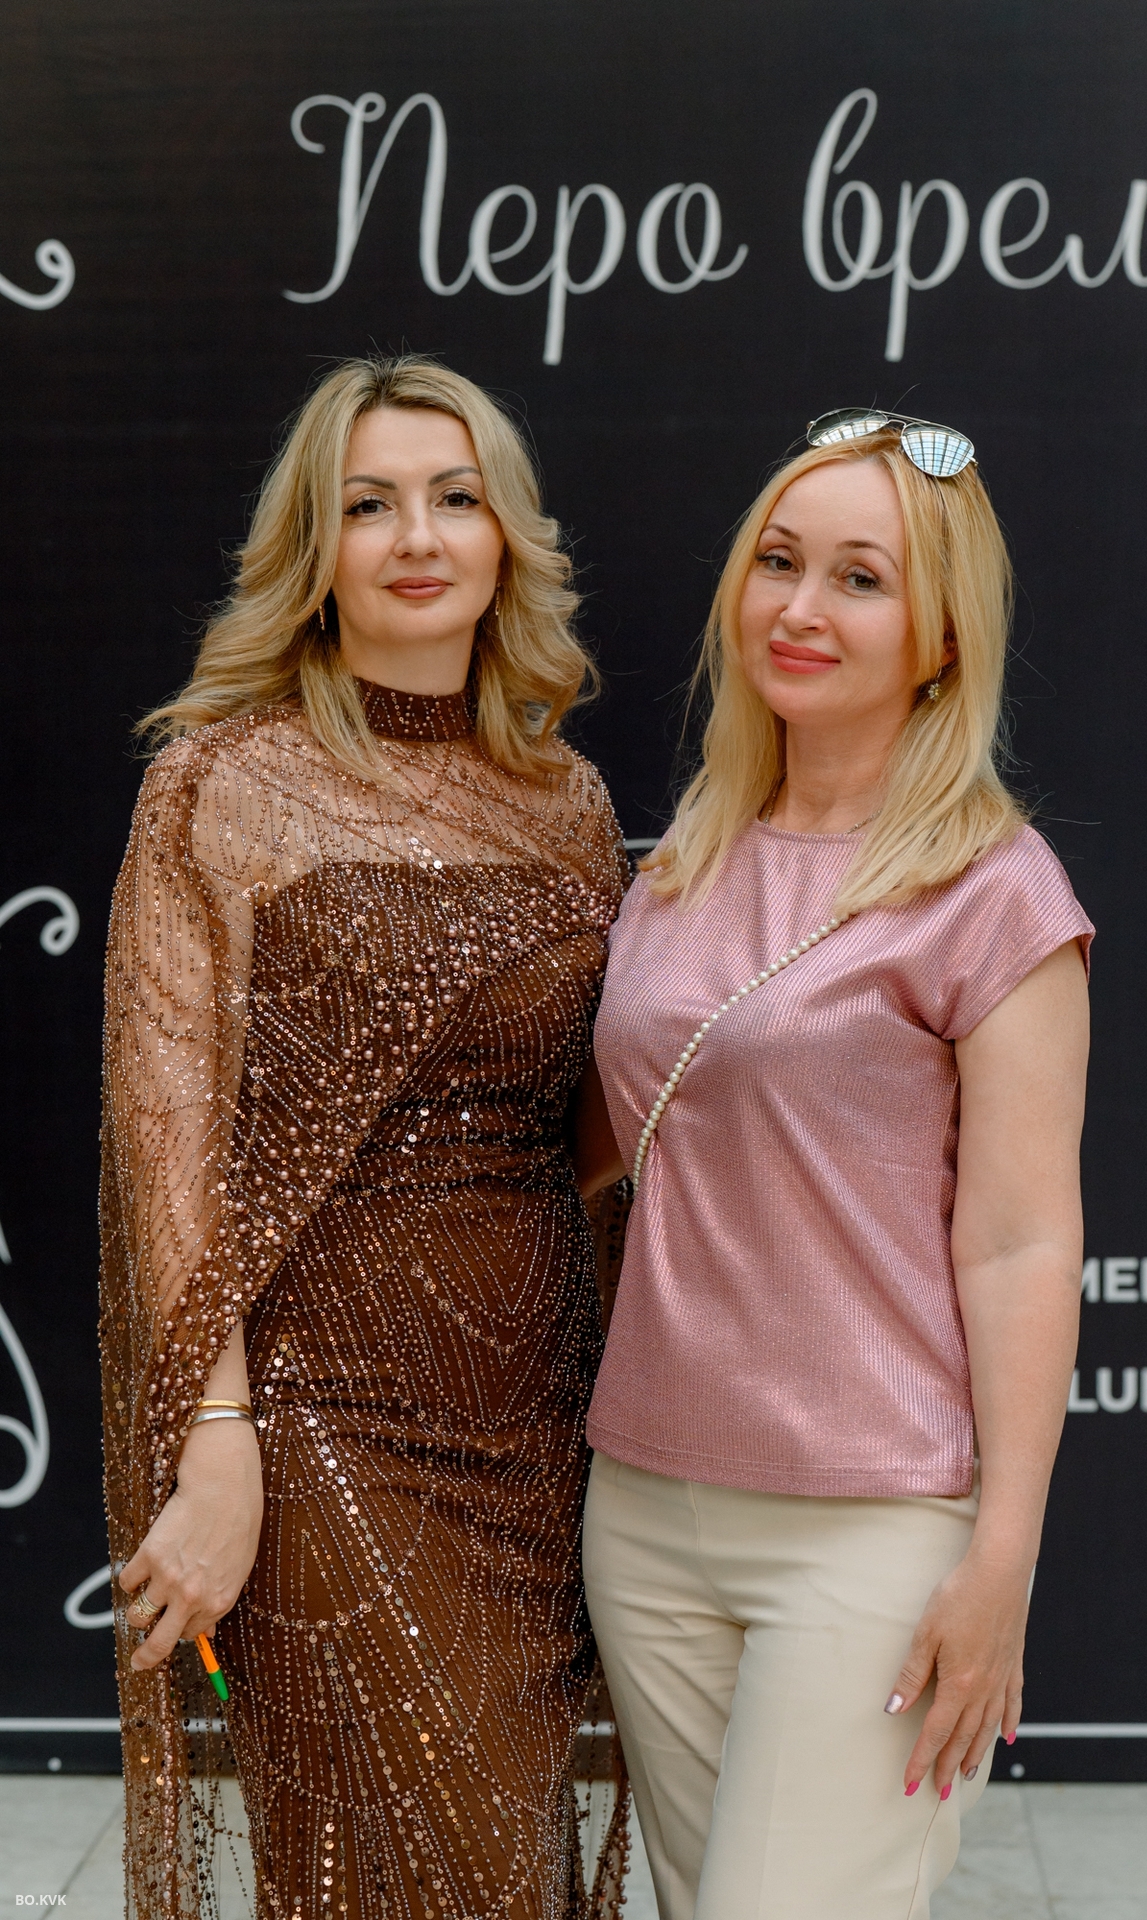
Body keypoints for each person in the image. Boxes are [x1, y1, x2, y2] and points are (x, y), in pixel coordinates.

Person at [101, 355, 629, 1920]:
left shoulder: (568, 804)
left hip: (537, 1419)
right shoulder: (218, 785)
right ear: (312, 551)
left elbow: (600, 1127)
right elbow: (170, 1143)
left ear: (505, 535)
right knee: (393, 1864)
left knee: (506, 1864)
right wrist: (216, 1440)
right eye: (369, 504)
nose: (417, 535)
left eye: (454, 497)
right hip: (315, 1417)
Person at [573, 410, 1093, 1919]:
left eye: (860, 579)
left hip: (871, 1529)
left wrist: (1002, 1562)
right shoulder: (681, 862)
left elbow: (1020, 1243)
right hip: (647, 1509)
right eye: (779, 563)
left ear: (941, 636)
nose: (800, 609)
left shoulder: (992, 893)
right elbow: (594, 1142)